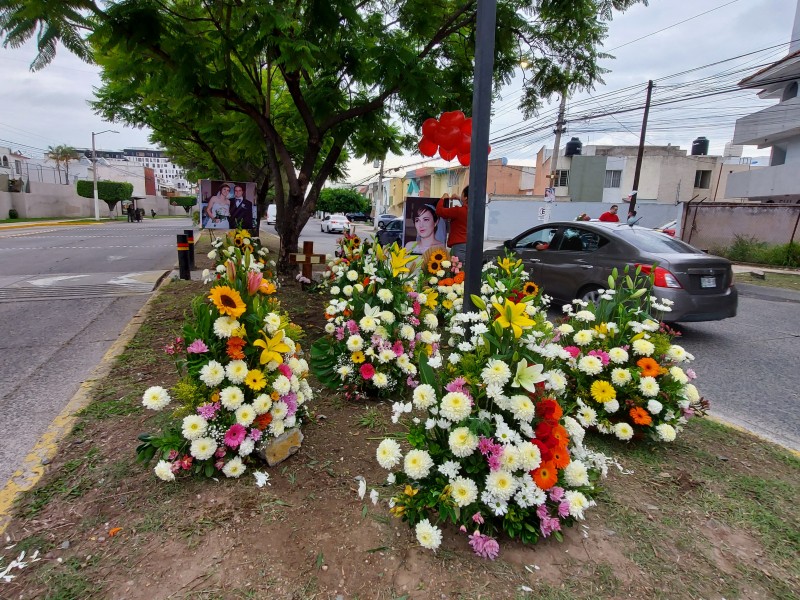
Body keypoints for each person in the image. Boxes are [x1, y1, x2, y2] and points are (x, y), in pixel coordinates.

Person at [436, 185, 469, 264]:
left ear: (465, 197)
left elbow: (439, 211)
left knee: (459, 271)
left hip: (459, 246)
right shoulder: (474, 211)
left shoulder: (458, 211)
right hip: (470, 245)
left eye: (462, 194)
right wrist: (459, 199)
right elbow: (466, 206)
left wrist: (442, 199)